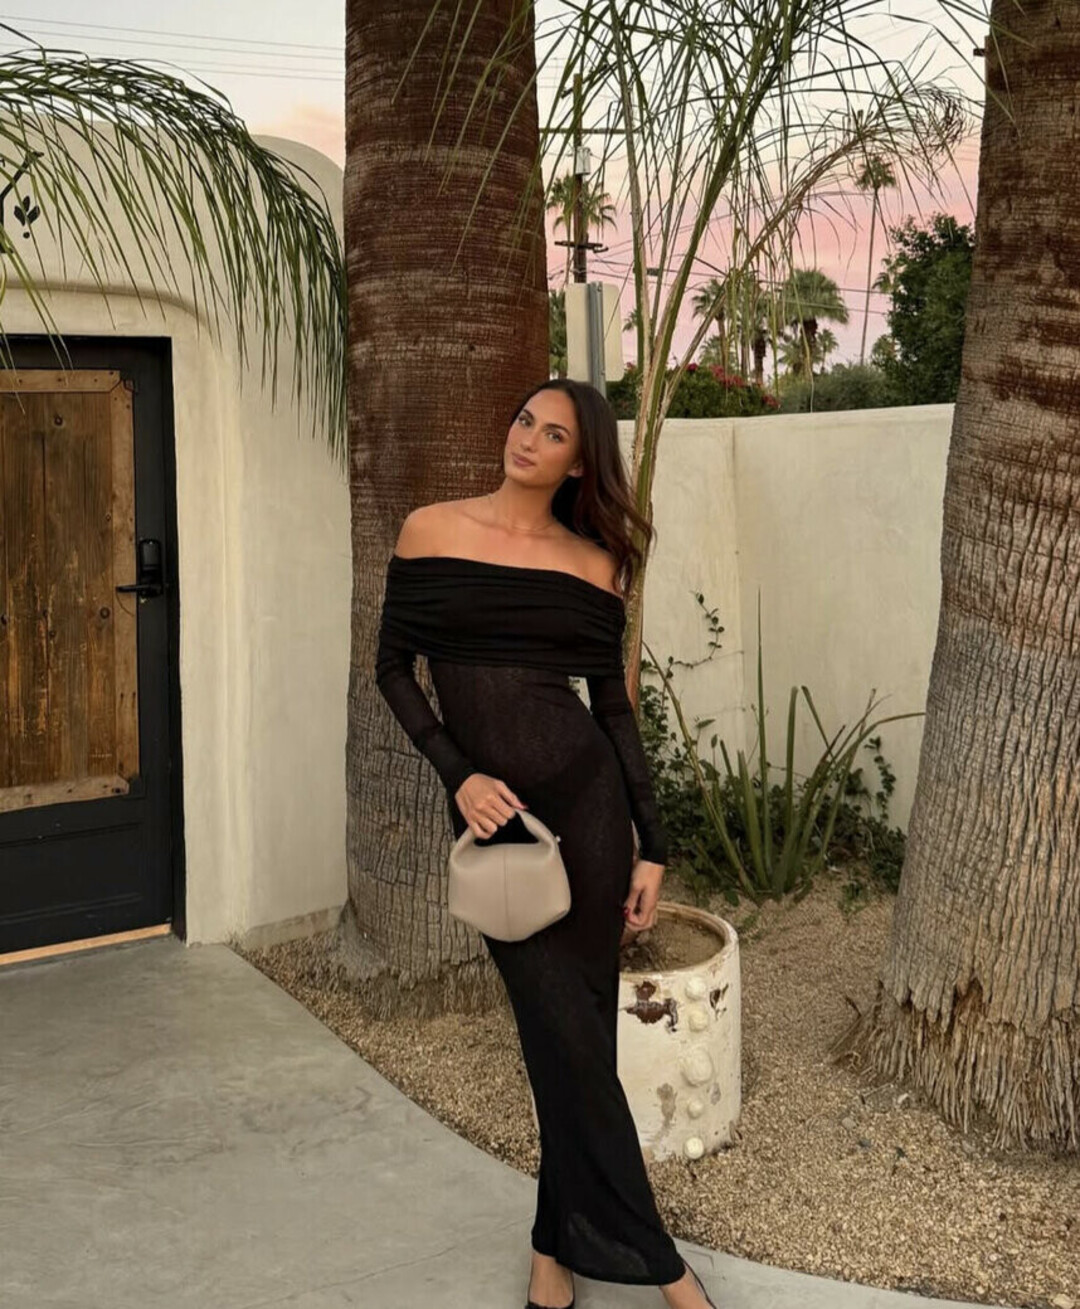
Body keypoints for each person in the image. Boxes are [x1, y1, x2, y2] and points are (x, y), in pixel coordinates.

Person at [374, 378, 718, 1309]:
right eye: (525, 419)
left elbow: (613, 709)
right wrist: (457, 773)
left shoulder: (593, 564)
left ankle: (549, 1258)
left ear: (577, 462)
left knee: (576, 1046)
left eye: (554, 433)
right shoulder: (430, 530)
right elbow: (392, 668)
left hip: (591, 810)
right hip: (501, 828)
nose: (527, 438)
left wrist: (652, 843)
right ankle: (666, 1268)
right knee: (562, 1041)